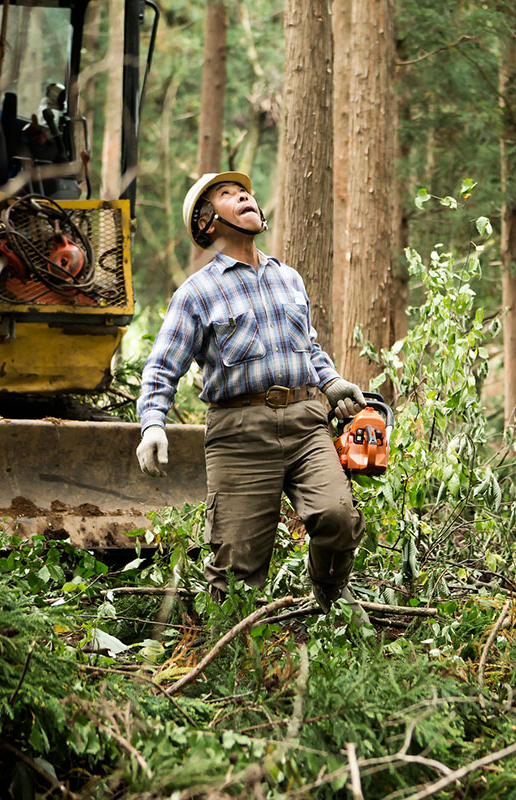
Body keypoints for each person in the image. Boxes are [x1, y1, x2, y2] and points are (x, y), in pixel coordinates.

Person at [135, 171, 369, 624]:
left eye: (244, 191)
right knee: (236, 570)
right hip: (239, 435)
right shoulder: (196, 293)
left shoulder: (289, 279)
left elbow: (309, 347)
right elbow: (162, 367)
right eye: (226, 194)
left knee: (337, 516)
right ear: (207, 223)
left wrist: (333, 382)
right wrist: (152, 425)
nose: (243, 195)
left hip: (306, 423)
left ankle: (330, 590)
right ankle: (229, 662)